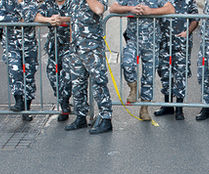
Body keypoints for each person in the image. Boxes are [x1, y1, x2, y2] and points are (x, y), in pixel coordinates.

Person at [110, 0, 175, 120]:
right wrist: (130, 9)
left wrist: (151, 11)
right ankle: (133, 88)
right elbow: (113, 8)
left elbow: (170, 9)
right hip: (133, 40)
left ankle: (144, 108)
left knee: (149, 77)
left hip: (152, 42)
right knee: (127, 63)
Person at [65, 0, 115, 133]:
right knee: (77, 84)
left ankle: (106, 118)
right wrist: (71, 43)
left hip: (92, 48)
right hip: (76, 48)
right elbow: (72, 21)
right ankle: (81, 117)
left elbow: (99, 10)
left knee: (98, 82)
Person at [153, 0, 198, 120]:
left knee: (180, 75)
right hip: (164, 42)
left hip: (181, 43)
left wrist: (188, 32)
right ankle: (168, 105)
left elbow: (196, 19)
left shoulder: (188, 1)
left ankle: (179, 108)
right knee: (165, 73)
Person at [0, 0, 40, 120]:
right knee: (15, 70)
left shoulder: (30, 1)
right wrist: (17, 20)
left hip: (28, 44)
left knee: (29, 76)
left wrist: (13, 18)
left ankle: (27, 108)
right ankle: (19, 101)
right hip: (11, 43)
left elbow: (30, 15)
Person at [36, 0, 74, 121]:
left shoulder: (73, 2)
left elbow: (79, 15)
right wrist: (49, 20)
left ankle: (65, 104)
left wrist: (63, 19)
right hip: (54, 46)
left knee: (67, 74)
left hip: (70, 45)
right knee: (52, 75)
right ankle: (63, 103)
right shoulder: (48, 3)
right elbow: (36, 16)